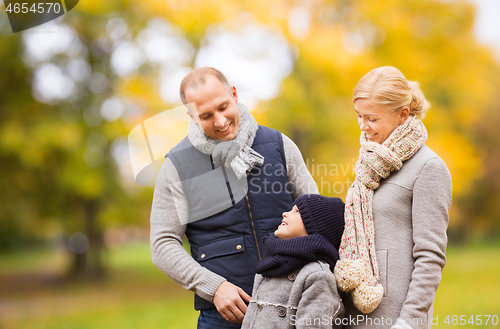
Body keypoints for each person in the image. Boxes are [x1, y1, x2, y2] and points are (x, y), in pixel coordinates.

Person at [150, 67, 318, 328]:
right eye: (205, 116)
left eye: (223, 107)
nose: (219, 122)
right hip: (224, 318)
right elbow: (162, 244)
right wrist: (214, 288)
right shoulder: (177, 166)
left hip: (293, 306)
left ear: (234, 94)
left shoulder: (278, 144)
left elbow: (314, 214)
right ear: (191, 115)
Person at [333, 66, 452, 329]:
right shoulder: (370, 164)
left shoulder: (429, 167)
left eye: (372, 119)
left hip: (393, 319)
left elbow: (430, 256)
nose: (363, 126)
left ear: (403, 115)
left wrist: (409, 322)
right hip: (352, 313)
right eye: (359, 116)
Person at [241, 194, 345, 329]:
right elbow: (249, 322)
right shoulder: (268, 267)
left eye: (297, 211)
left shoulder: (317, 275)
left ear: (315, 227)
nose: (285, 214)